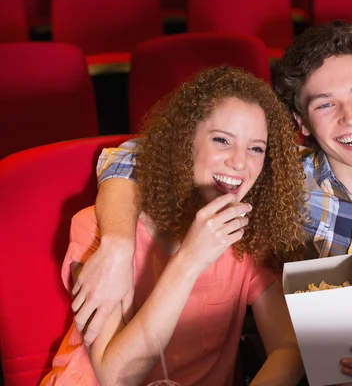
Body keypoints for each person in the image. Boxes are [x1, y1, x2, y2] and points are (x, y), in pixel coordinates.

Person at [74, 21, 352, 385]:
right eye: (325, 104)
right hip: (328, 374)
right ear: (302, 124)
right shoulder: (277, 183)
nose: (348, 117)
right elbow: (134, 155)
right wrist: (117, 242)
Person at [41, 67, 307, 386]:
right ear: (185, 142)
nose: (240, 162)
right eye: (222, 140)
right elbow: (116, 376)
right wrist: (190, 260)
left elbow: (289, 349)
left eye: (256, 148)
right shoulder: (96, 228)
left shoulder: (249, 232)